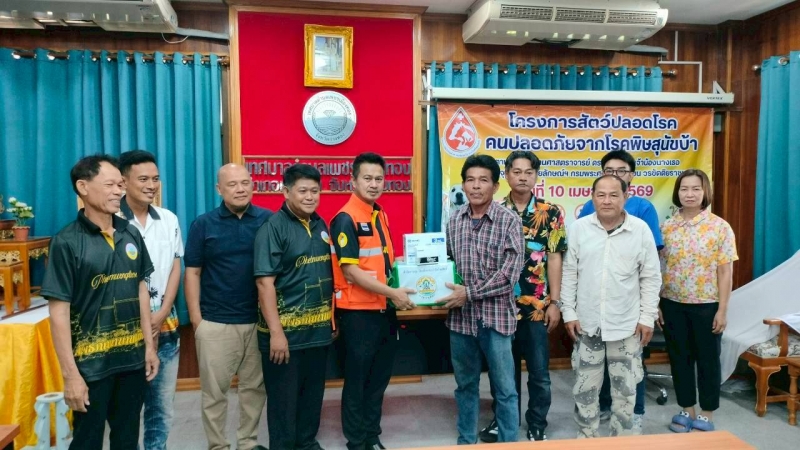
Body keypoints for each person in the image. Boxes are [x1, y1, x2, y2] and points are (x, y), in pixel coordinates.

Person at [41, 155, 159, 450]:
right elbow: (58, 312)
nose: (119, 191)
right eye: (110, 185)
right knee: (87, 442)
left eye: (120, 184)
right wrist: (70, 375)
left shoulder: (130, 232)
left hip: (132, 362)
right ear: (83, 187)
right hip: (90, 368)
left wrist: (149, 347)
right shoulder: (66, 241)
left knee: (127, 440)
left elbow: (141, 290)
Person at [561, 174, 661, 438]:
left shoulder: (640, 230)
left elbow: (651, 277)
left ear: (625, 197)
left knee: (625, 394)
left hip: (626, 325)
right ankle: (587, 438)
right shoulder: (579, 229)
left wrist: (647, 317)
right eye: (601, 195)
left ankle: (623, 441)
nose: (607, 200)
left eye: (614, 195)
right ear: (592, 197)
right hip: (587, 324)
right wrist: (568, 312)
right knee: (585, 391)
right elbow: (569, 273)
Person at [478, 151, 566, 442]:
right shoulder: (494, 210)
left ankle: (537, 422)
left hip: (537, 307)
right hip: (499, 306)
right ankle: (504, 420)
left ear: (536, 176)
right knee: (503, 372)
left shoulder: (550, 212)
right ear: (506, 175)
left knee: (539, 372)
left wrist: (555, 302)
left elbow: (554, 258)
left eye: (529, 172)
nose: (523, 177)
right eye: (517, 172)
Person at [330, 152, 415, 450]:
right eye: (367, 178)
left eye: (379, 178)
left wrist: (411, 272)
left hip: (383, 311)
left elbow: (383, 265)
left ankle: (371, 435)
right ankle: (356, 441)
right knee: (357, 381)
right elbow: (351, 272)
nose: (374, 184)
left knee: (378, 379)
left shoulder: (379, 215)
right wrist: (394, 294)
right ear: (353, 181)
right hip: (358, 314)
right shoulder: (346, 218)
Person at [184, 163, 270, 450]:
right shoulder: (203, 224)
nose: (240, 189)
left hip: (258, 322)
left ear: (252, 185)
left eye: (245, 183)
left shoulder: (268, 220)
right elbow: (192, 272)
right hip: (216, 323)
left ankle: (248, 442)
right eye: (232, 184)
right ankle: (218, 445)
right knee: (214, 394)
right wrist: (197, 320)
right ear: (219, 189)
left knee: (254, 389)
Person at [439, 154, 524, 444]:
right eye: (470, 180)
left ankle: (509, 442)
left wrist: (469, 293)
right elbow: (447, 264)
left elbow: (509, 275)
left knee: (505, 389)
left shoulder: (509, 221)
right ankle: (466, 441)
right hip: (461, 322)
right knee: (465, 386)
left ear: (495, 186)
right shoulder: (454, 221)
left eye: (483, 180)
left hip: (496, 320)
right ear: (463, 184)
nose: (476, 186)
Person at [254, 164, 335, 450]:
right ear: (286, 192)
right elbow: (264, 283)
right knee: (284, 405)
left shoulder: (321, 225)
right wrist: (276, 334)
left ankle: (307, 444)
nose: (310, 197)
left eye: (315, 191)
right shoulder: (272, 228)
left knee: (312, 399)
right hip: (285, 338)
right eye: (303, 191)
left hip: (318, 334)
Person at [660, 169, 737, 433]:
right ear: (677, 192)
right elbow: (657, 268)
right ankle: (687, 409)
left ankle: (706, 412)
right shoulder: (667, 227)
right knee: (679, 359)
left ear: (705, 192)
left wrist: (722, 310)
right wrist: (657, 304)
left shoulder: (719, 227)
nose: (689, 194)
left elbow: (725, 272)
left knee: (708, 360)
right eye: (684, 189)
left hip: (707, 305)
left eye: (695, 189)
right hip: (672, 304)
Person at [116, 150, 183, 450]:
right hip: (127, 328)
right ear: (123, 181)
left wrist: (164, 310)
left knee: (162, 408)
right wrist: (145, 322)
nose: (151, 185)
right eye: (143, 179)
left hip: (165, 323)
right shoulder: (112, 220)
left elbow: (176, 265)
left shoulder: (168, 219)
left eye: (155, 179)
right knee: (127, 411)